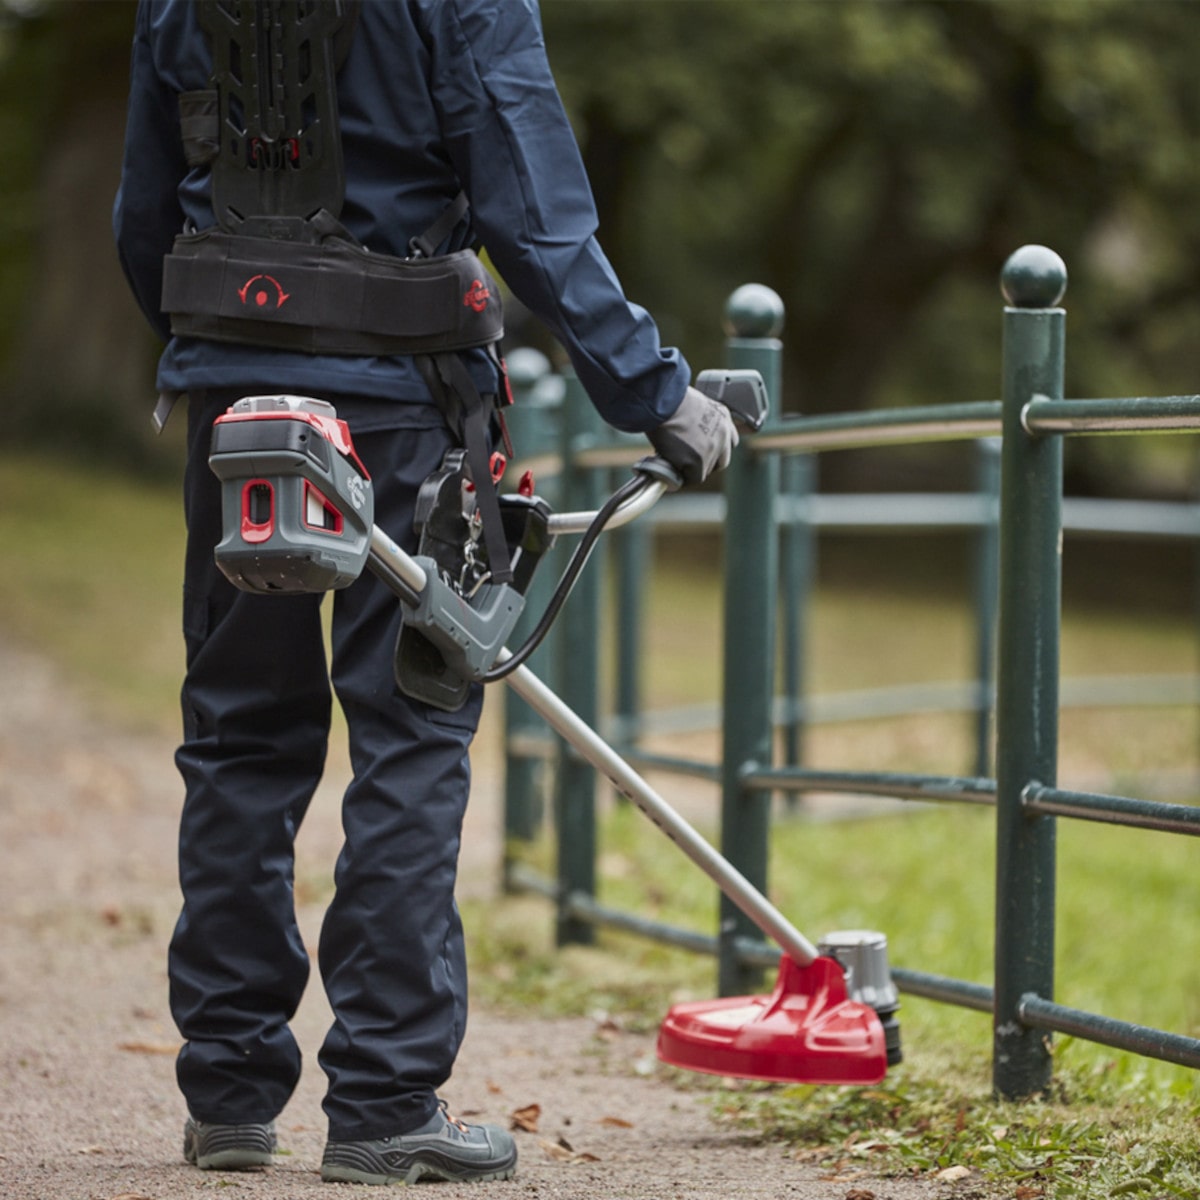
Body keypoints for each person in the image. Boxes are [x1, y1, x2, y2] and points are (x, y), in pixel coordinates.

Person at [113, 0, 737, 1186]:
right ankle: (387, 1102)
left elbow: (143, 213)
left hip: (234, 411)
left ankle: (232, 1099)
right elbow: (532, 210)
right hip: (402, 413)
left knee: (241, 735)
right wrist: (659, 397)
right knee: (412, 731)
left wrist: (217, 354)